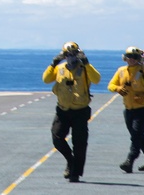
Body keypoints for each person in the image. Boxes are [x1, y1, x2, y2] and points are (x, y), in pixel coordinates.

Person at [42, 41, 101, 182]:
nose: (70, 57)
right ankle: (70, 160)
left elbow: (97, 79)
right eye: (67, 54)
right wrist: (53, 63)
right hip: (63, 110)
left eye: (74, 54)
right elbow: (46, 79)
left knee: (79, 143)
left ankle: (76, 172)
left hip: (80, 111)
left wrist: (86, 62)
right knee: (57, 137)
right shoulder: (60, 68)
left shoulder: (85, 68)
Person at [108, 46, 144, 173]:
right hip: (129, 110)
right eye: (129, 57)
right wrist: (118, 89)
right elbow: (111, 85)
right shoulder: (121, 71)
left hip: (143, 110)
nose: (131, 59)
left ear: (139, 58)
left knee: (136, 136)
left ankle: (129, 161)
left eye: (134, 57)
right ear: (125, 58)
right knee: (138, 136)